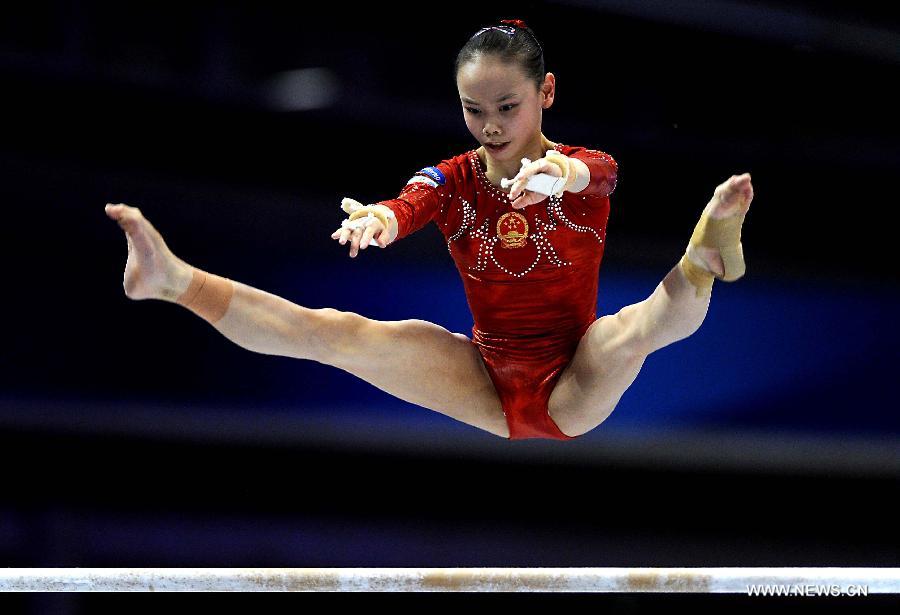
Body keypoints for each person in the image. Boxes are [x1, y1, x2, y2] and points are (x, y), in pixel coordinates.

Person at [105, 19, 754, 441]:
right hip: (481, 375)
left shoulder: (589, 170)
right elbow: (415, 198)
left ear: (547, 92)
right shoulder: (454, 179)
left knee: (628, 332)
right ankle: (174, 281)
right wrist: (385, 216)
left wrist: (557, 177)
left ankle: (705, 254)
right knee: (335, 333)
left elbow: (594, 175)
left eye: (508, 106)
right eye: (475, 110)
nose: (492, 125)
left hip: (571, 381)